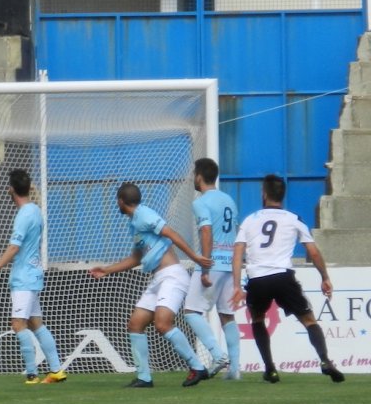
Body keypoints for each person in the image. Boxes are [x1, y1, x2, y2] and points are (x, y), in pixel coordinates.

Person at [89, 182, 214, 388]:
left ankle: (197, 367)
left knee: (162, 324)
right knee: (135, 324)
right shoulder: (135, 223)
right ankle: (144, 377)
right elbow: (137, 257)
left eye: (116, 201)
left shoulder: (144, 214)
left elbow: (171, 233)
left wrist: (195, 257)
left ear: (121, 201)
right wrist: (107, 270)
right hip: (158, 278)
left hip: (172, 276)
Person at [231, 174, 343, 384]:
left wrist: (237, 285)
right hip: (283, 277)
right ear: (282, 195)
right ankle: (325, 360)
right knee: (309, 320)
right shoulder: (293, 219)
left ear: (264, 194)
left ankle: (270, 368)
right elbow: (314, 251)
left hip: (258, 278)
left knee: (257, 318)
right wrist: (325, 277)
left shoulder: (250, 220)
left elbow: (238, 252)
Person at [0, 169, 66, 385]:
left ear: (12, 189)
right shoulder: (35, 210)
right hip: (33, 275)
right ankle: (56, 370)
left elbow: (14, 247)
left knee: (18, 324)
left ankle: (32, 374)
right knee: (36, 323)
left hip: (24, 278)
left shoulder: (24, 215)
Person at [182, 158, 241, 380]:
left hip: (212, 262)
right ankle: (234, 370)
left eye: (194, 174)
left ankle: (218, 355)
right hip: (229, 263)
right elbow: (236, 235)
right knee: (227, 315)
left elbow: (206, 231)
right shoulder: (229, 200)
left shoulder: (201, 202)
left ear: (199, 176)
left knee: (191, 311)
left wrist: (205, 265)